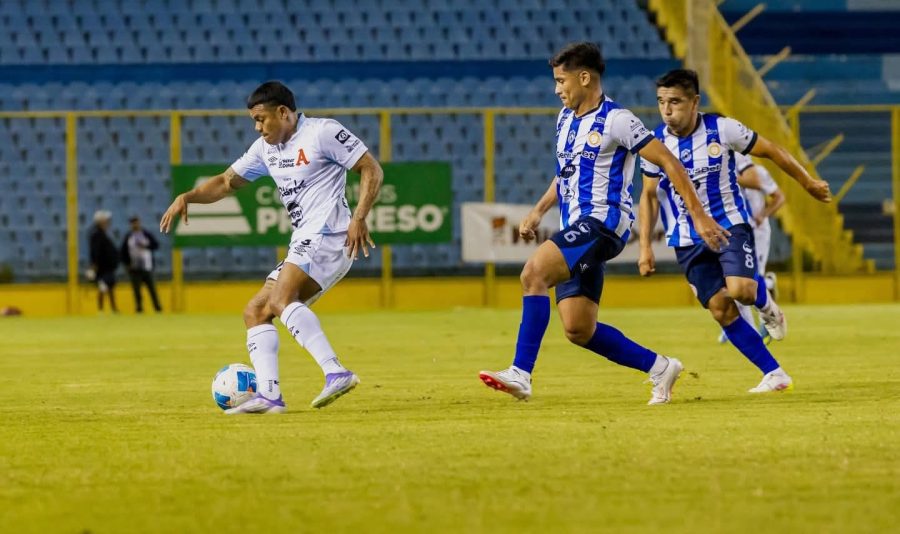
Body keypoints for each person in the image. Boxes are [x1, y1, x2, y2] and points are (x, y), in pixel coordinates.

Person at [478, 42, 730, 406]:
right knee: (578, 328)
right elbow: (566, 174)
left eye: (561, 80)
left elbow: (669, 162)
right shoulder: (565, 119)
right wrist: (538, 210)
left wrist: (699, 215)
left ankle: (520, 372)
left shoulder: (618, 120)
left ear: (584, 78)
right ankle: (660, 367)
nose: (557, 89)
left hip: (603, 224)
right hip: (576, 226)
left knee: (533, 273)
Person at [160, 81, 384, 414]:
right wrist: (188, 197)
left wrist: (360, 217)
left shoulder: (322, 132)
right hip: (305, 239)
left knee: (281, 300)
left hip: (328, 235)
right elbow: (226, 182)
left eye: (261, 119)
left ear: (283, 112)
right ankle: (269, 396)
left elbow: (371, 168)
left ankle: (336, 371)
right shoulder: (265, 149)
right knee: (256, 312)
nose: (257, 127)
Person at [638, 69, 831, 393]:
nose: (667, 110)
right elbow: (648, 195)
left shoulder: (723, 129)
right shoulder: (655, 144)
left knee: (741, 290)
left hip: (729, 224)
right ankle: (775, 374)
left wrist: (807, 182)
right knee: (720, 309)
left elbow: (771, 150)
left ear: (695, 102)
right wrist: (645, 246)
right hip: (686, 238)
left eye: (675, 102)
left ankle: (766, 305)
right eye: (661, 102)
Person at [717, 153, 785, 343]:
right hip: (734, 230)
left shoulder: (756, 171)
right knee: (736, 279)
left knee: (750, 280)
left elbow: (779, 197)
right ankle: (746, 328)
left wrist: (764, 214)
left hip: (757, 231)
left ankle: (758, 323)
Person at [120, 215, 162, 313]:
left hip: (147, 267)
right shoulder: (129, 236)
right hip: (134, 268)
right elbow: (123, 252)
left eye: (136, 222)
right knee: (137, 291)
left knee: (152, 289)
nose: (135, 225)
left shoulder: (146, 234)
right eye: (133, 223)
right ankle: (139, 308)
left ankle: (157, 307)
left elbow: (156, 245)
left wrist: (146, 246)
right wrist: (127, 264)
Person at [88, 210, 120, 313]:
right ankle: (101, 309)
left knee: (109, 287)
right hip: (102, 267)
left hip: (108, 266)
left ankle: (112, 309)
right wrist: (94, 265)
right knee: (103, 287)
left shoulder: (102, 233)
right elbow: (95, 251)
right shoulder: (97, 234)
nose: (107, 222)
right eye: (105, 220)